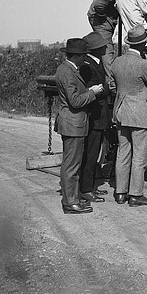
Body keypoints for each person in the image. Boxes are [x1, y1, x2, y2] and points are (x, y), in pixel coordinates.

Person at [110, 25, 147, 207]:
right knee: (139, 156)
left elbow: (111, 85)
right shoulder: (143, 64)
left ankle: (120, 193)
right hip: (139, 113)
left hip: (121, 111)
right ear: (144, 44)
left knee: (123, 153)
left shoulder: (117, 62)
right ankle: (136, 195)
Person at [55, 38, 104, 214]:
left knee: (72, 164)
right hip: (73, 124)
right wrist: (93, 93)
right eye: (82, 55)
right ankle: (70, 203)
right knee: (72, 165)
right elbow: (75, 101)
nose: (85, 59)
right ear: (75, 56)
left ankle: (73, 199)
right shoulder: (68, 72)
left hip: (72, 123)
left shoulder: (67, 69)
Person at [87, 0, 143, 77]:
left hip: (106, 19)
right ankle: (113, 82)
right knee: (107, 50)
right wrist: (107, 20)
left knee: (110, 49)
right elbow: (99, 5)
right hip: (99, 19)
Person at [78, 31, 113, 204]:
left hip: (98, 115)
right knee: (91, 154)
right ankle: (86, 189)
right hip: (95, 116)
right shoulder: (88, 66)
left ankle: (90, 186)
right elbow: (94, 90)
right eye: (102, 46)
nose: (105, 48)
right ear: (97, 49)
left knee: (93, 152)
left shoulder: (93, 63)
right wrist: (108, 89)